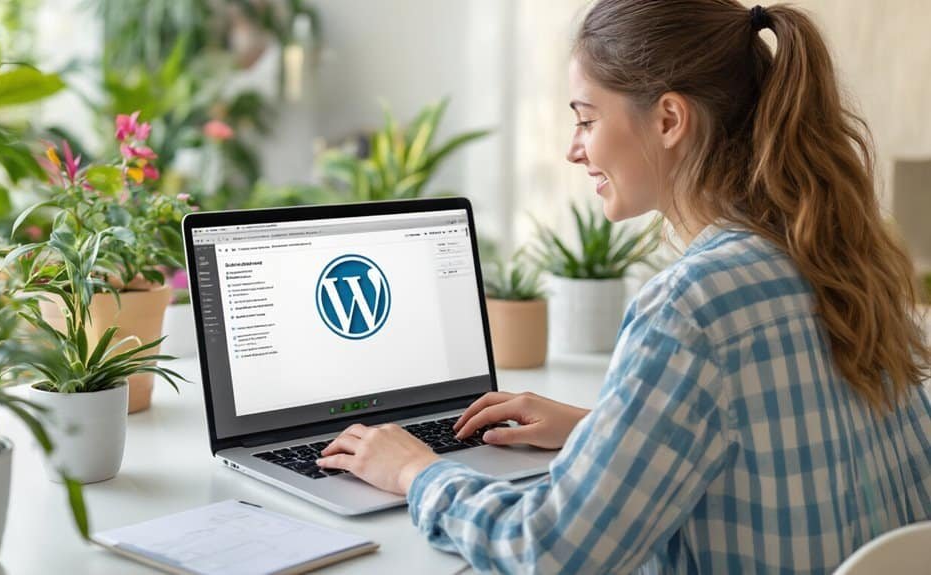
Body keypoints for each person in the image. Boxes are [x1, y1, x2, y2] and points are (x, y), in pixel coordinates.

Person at [316, 1, 931, 572]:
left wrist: (415, 472)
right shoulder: (838, 260)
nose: (573, 150)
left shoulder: (693, 305)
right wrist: (601, 427)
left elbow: (552, 552)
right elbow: (783, 438)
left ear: (669, 119)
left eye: (586, 119)